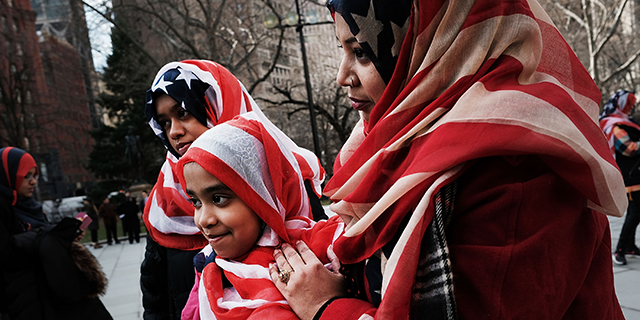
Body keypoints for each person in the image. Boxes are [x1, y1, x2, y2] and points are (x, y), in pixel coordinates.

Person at [268, 0, 628, 319]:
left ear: (434, 46)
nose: (342, 77)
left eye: (362, 52)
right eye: (341, 50)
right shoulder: (394, 145)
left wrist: (327, 309)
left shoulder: (511, 169)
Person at [141, 60, 326, 320]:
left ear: (217, 103)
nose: (175, 132)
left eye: (183, 113)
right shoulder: (164, 204)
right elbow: (156, 298)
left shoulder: (285, 178)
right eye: (164, 122)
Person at [177, 114, 340, 320]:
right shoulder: (207, 268)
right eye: (196, 202)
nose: (203, 220)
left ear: (265, 197)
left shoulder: (325, 251)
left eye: (218, 199)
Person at [0, 147, 112, 320]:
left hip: (56, 289)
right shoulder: (4, 208)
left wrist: (64, 237)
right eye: (26, 176)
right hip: (29, 299)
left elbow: (41, 237)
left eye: (34, 175)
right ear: (8, 175)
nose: (33, 182)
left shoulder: (31, 207)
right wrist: (51, 236)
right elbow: (9, 254)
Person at [600, 90, 640, 265]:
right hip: (630, 175)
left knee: (635, 211)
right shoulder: (613, 124)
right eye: (628, 104)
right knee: (636, 211)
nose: (631, 108)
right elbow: (628, 148)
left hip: (635, 173)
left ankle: (629, 245)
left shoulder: (627, 123)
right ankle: (620, 249)